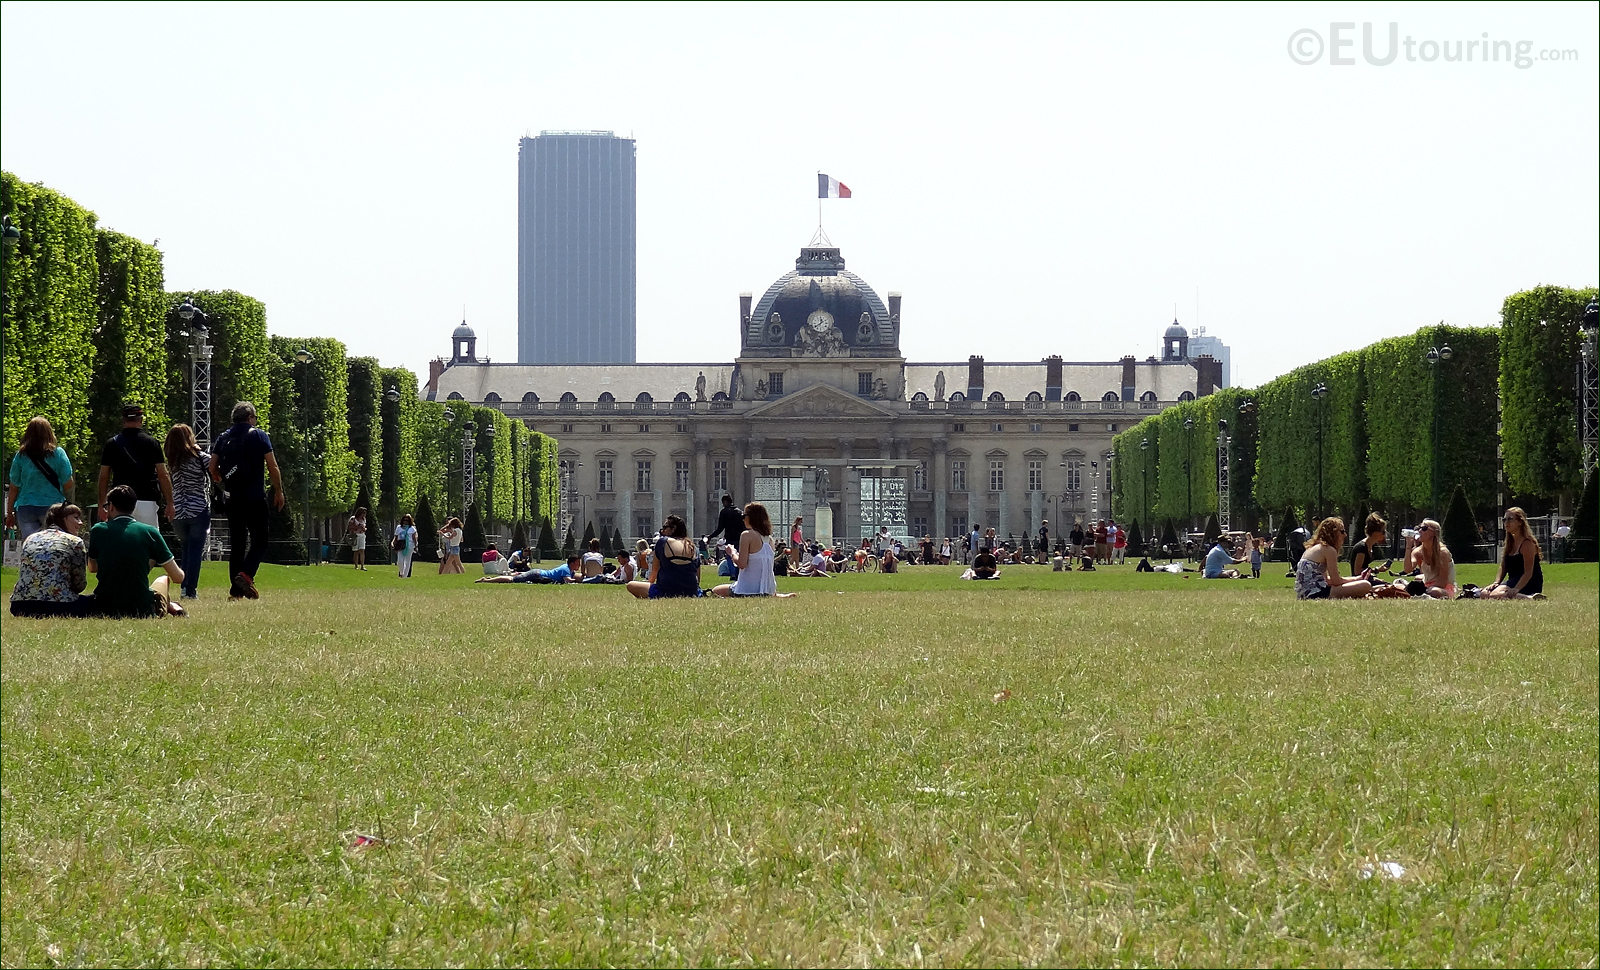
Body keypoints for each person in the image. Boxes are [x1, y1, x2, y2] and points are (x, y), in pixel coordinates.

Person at [211, 402, 284, 600]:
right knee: (260, 540)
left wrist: (221, 479)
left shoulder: (223, 438)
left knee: (237, 544)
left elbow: (212, 466)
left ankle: (236, 593)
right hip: (255, 497)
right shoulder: (258, 435)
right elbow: (272, 465)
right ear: (250, 417)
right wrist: (278, 490)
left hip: (234, 498)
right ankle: (246, 575)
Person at [88, 485, 184, 617]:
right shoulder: (150, 532)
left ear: (110, 506)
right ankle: (172, 606)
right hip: (140, 608)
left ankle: (171, 605)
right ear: (133, 507)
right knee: (163, 579)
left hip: (105, 606)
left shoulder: (98, 530)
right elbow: (178, 577)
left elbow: (92, 568)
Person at [10, 503, 95, 617]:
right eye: (76, 518)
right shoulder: (75, 541)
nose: (80, 523)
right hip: (59, 606)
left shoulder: (30, 538)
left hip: (20, 606)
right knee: (94, 601)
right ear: (62, 519)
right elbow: (79, 585)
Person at [97, 404, 173, 528]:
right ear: (141, 420)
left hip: (119, 502)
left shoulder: (112, 444)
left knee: (121, 544)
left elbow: (104, 477)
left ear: (123, 420)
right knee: (148, 542)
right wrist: (170, 502)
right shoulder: (152, 443)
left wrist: (102, 504)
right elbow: (163, 475)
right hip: (146, 500)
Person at [7, 416, 75, 542]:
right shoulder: (59, 453)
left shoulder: (21, 456)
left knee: (31, 544)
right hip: (52, 506)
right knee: (52, 544)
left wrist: (9, 512)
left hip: (26, 505)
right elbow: (68, 483)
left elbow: (14, 486)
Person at [164, 424, 212, 599]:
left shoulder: (171, 460)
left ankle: (184, 585)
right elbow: (215, 470)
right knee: (195, 551)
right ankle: (189, 590)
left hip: (178, 511)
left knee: (185, 549)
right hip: (197, 508)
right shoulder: (200, 457)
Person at [713, 502, 796, 598]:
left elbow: (742, 564)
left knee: (715, 591)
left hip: (747, 589)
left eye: (744, 516)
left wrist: (732, 552)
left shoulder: (747, 535)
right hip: (768, 589)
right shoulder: (769, 540)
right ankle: (778, 596)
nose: (743, 519)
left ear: (751, 517)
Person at [1295, 517, 1373, 600]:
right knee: (1365, 585)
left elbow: (1327, 580)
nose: (1345, 535)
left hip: (1304, 594)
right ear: (1333, 533)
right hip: (1317, 593)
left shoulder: (1314, 548)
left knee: (1362, 584)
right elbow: (1336, 581)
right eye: (1342, 531)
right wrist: (1358, 579)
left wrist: (1357, 579)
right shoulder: (1329, 550)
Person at [628, 514, 703, 599]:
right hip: (691, 591)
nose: (662, 531)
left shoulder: (663, 542)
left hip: (665, 590)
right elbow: (698, 577)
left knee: (631, 585)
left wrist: (649, 584)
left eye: (665, 527)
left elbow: (654, 572)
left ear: (673, 529)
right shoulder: (693, 546)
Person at [1483, 507, 1545, 599]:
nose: (1506, 522)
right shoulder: (1509, 543)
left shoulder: (1527, 544)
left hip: (1528, 582)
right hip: (1513, 581)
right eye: (1504, 519)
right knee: (1484, 593)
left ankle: (1530, 598)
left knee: (1494, 595)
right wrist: (1496, 582)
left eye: (1510, 519)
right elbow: (1503, 566)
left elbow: (1528, 573)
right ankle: (1523, 597)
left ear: (1520, 522)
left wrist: (1516, 588)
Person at [1404, 518, 1455, 599]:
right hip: (1427, 585)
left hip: (1442, 588)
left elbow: (1443, 582)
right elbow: (1407, 569)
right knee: (1398, 586)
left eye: (1424, 528)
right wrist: (1408, 547)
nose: (1419, 531)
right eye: (1419, 528)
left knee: (1434, 592)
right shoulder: (1417, 552)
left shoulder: (1442, 552)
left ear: (1434, 533)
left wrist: (1424, 589)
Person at [705, 494, 746, 571]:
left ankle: (733, 573)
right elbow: (744, 527)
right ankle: (737, 572)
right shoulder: (739, 512)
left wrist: (710, 536)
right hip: (739, 539)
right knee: (738, 555)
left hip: (730, 538)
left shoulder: (724, 512)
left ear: (725, 502)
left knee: (730, 556)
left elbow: (720, 528)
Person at [478, 554, 579, 584]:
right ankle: (487, 580)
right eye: (577, 563)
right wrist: (581, 581)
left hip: (538, 574)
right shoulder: (566, 569)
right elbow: (568, 580)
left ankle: (490, 579)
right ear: (572, 563)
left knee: (517, 576)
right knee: (512, 580)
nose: (579, 565)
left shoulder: (569, 569)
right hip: (538, 575)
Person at [1348, 513, 1388, 577]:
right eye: (1383, 532)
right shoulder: (1361, 547)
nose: (1385, 534)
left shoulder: (1369, 545)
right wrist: (1376, 570)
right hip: (1359, 582)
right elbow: (1357, 571)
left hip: (1364, 580)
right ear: (1375, 533)